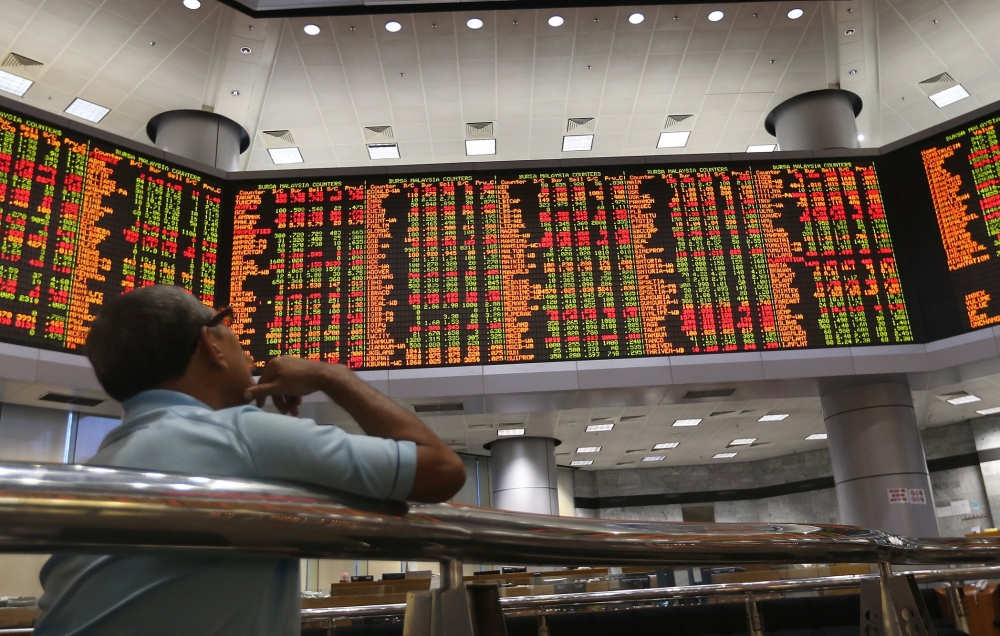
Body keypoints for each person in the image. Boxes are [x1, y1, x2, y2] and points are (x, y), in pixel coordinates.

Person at [34, 285, 466, 636]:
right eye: (228, 324)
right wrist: (332, 375)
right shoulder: (239, 435)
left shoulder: (98, 465)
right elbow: (442, 470)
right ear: (211, 343)